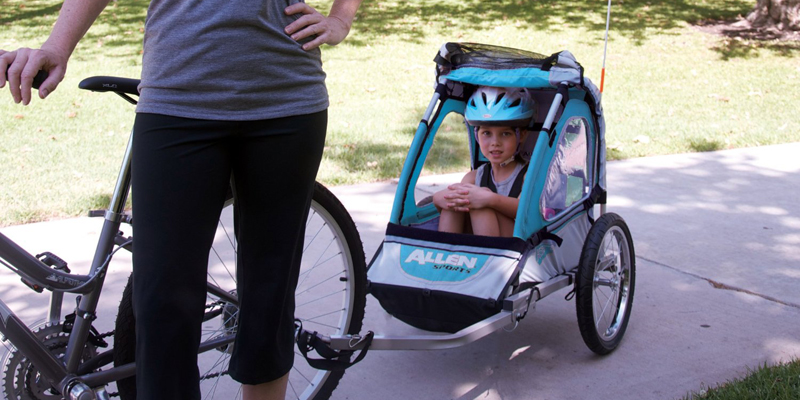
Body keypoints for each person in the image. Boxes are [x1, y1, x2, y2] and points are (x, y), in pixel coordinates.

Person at [0, 0, 362, 399]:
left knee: (269, 301)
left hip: (287, 104)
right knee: (161, 310)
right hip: (176, 103)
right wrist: (57, 46)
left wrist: (340, 19)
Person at [433, 86, 535, 238]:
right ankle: (444, 255)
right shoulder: (473, 177)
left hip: (515, 244)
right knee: (453, 206)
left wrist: (490, 200)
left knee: (480, 204)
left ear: (521, 135)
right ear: (477, 135)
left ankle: (488, 260)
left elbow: (526, 213)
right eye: (487, 133)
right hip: (476, 241)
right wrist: (437, 198)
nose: (495, 142)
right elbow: (446, 201)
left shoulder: (528, 175)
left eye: (505, 134)